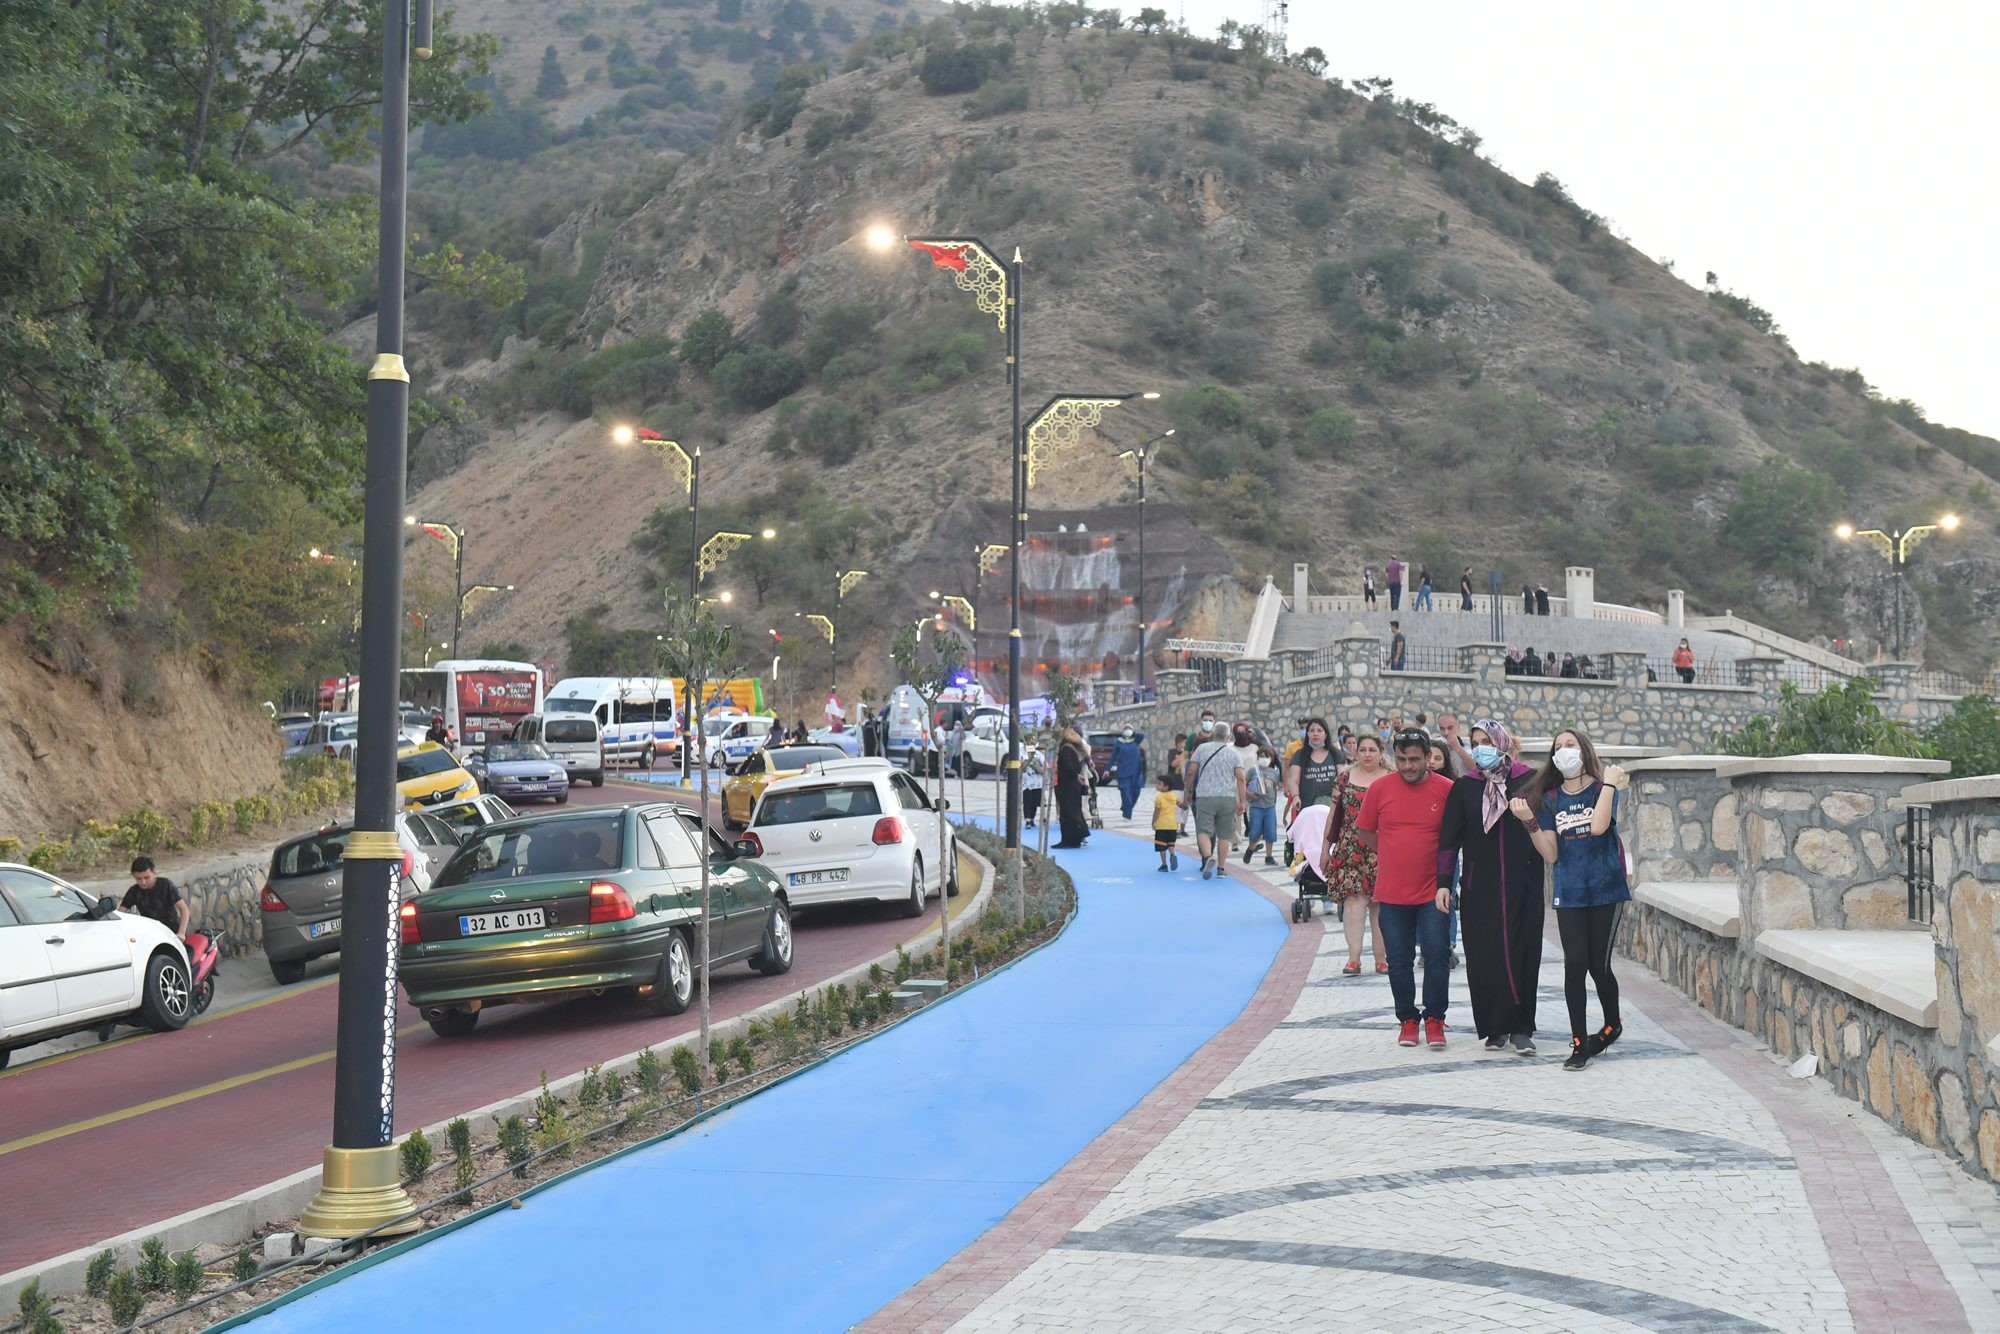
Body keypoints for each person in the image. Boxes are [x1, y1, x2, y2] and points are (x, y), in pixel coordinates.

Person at [1515, 727, 1631, 1072]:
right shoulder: (1551, 798)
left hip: (1606, 890)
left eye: (1570, 745)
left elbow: (1598, 827)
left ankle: (1612, 1025)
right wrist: (1531, 823)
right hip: (1571, 893)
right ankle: (1579, 1042)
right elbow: (1551, 854)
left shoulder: (1602, 789)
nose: (1564, 751)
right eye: (1558, 747)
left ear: (1584, 750)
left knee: (1599, 966)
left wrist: (1608, 784)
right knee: (1575, 964)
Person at [1439, 719, 1546, 1055]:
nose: (1481, 747)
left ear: (1502, 742)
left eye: (1487, 740)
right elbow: (1447, 841)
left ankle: (1522, 1027)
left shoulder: (1529, 781)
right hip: (1479, 884)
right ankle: (1494, 1026)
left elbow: (1547, 827)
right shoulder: (1465, 787)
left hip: (1523, 881)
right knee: (1485, 954)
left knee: (1522, 951)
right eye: (1475, 742)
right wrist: (1444, 884)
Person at [1355, 731, 1456, 1049]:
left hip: (1433, 892)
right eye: (1401, 759)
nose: (1408, 766)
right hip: (1392, 892)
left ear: (1429, 758)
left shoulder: (1446, 790)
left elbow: (1455, 838)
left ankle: (1435, 1019)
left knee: (1437, 955)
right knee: (1398, 960)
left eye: (1415, 759)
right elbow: (1365, 829)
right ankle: (1408, 1019)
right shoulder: (1380, 789)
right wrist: (1390, 851)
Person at [1323, 733, 1391, 975]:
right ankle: (1354, 958)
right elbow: (1333, 815)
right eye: (1363, 749)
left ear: (1381, 753)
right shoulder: (1345, 778)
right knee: (1354, 902)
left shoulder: (1392, 778)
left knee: (1380, 905)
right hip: (1350, 846)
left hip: (1382, 848)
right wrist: (1325, 848)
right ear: (1355, 752)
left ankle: (1381, 958)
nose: (1367, 754)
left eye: (1372, 749)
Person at [1184, 721, 1249, 878]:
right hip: (1227, 797)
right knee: (1224, 835)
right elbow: (1240, 778)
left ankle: (1207, 857)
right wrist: (1243, 801)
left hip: (1205, 796)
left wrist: (1188, 791)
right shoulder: (1233, 753)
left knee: (1203, 831)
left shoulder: (1201, 749)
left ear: (1213, 734)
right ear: (1228, 736)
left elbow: (1192, 771)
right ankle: (1221, 869)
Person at [120, 857, 190, 939]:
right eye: (138, 879)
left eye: (146, 877)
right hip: (151, 936)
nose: (143, 882)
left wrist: (181, 933)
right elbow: (121, 913)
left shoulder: (165, 885)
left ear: (153, 872)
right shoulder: (134, 891)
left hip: (172, 934)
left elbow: (184, 909)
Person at [1053, 726, 1092, 849]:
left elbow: (1069, 768)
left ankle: (1069, 840)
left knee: (1067, 813)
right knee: (1074, 811)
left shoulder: (1066, 750)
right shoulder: (1075, 749)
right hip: (1073, 785)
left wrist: (1074, 774)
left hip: (1067, 786)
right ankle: (1076, 838)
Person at [1242, 746, 1281, 866]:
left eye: (1266, 757)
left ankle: (1269, 856)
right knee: (1255, 831)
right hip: (1256, 806)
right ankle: (1250, 849)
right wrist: (1250, 795)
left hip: (1269, 807)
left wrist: (1274, 801)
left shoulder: (1274, 773)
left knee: (1270, 832)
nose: (1264, 759)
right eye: (1261, 757)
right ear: (1258, 758)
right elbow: (1243, 785)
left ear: (1271, 758)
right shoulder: (1253, 771)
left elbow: (1275, 788)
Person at [1110, 726, 1147, 821]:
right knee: (1126, 794)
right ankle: (1127, 815)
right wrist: (1107, 769)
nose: (1127, 729)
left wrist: (1133, 733)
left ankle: (1126, 807)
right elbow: (1113, 757)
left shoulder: (1136, 741)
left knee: (1136, 793)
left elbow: (1142, 735)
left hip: (1136, 773)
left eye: (1129, 728)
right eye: (1126, 728)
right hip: (1123, 772)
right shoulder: (1119, 742)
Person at [1152, 775, 1181, 872]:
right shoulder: (1174, 796)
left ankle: (1164, 865)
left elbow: (1157, 811)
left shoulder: (1159, 797)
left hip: (1161, 825)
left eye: (1159, 784)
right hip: (1173, 825)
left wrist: (1153, 822)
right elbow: (1180, 804)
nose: (1157, 785)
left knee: (1162, 846)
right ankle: (1172, 854)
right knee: (1170, 844)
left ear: (1166, 786)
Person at [1022, 738, 1046, 828]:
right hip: (1026, 782)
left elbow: (1045, 767)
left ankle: (1032, 819)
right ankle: (1027, 820)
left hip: (1037, 783)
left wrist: (1038, 767)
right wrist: (1027, 762)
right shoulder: (1022, 753)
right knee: (1027, 800)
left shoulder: (1039, 754)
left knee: (1035, 802)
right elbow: (1019, 766)